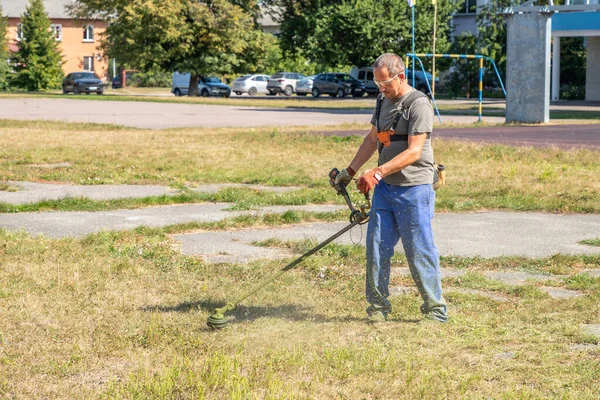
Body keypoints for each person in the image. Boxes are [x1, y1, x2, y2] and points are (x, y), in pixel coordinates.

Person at [335, 53, 448, 323]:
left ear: (401, 77)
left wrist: (377, 171)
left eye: (385, 83)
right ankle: (378, 307)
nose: (381, 88)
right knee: (376, 247)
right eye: (377, 83)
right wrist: (349, 172)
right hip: (385, 188)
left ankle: (436, 309)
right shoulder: (382, 99)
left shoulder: (419, 104)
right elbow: (374, 138)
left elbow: (414, 152)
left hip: (415, 188)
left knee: (419, 249)